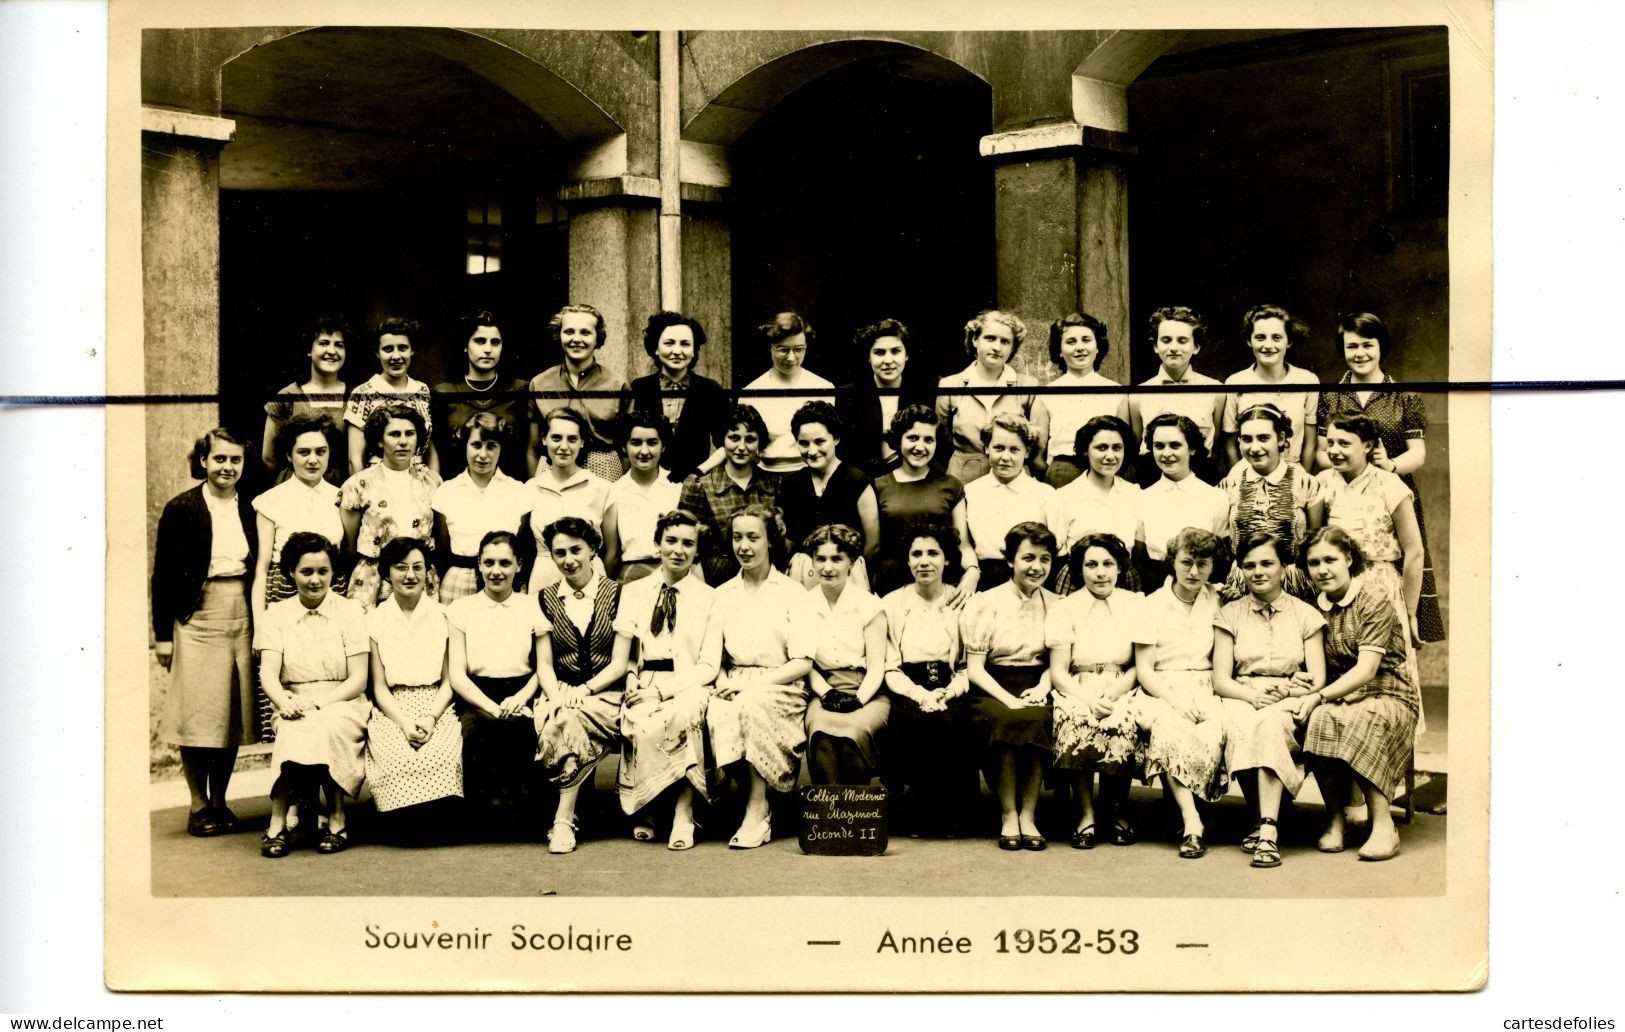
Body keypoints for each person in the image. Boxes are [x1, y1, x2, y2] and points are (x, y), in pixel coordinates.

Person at [152, 427, 257, 838]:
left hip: (241, 612)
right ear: (203, 461)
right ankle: (197, 804)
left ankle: (220, 800)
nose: (227, 467)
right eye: (219, 459)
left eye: (235, 460)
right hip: (197, 615)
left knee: (230, 712)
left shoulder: (252, 507)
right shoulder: (182, 508)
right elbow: (162, 577)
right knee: (198, 714)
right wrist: (163, 635)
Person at [1315, 312, 1444, 642]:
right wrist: (1344, 464)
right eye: (1352, 346)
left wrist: (1390, 466)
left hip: (1391, 491)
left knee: (1401, 561)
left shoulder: (1405, 395)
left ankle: (1403, 631)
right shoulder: (1331, 395)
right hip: (1344, 491)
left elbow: (1418, 453)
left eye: (1367, 345)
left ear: (1381, 347)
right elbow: (1319, 452)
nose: (1360, 353)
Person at [1299, 527, 1420, 862]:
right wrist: (1304, 686)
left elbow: (1367, 670)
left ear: (1349, 559)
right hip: (1340, 693)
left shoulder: (1373, 598)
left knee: (1361, 718)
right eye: (1313, 562)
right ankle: (1336, 817)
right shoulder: (1315, 607)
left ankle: (1383, 826)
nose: (1322, 569)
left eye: (1330, 559)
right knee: (1318, 718)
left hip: (1390, 692)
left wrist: (1322, 695)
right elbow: (1315, 666)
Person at [701, 504, 818, 848]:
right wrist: (724, 683)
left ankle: (757, 809)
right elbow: (714, 658)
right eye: (737, 537)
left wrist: (748, 686)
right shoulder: (722, 595)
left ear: (770, 540)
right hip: (732, 681)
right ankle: (739, 795)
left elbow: (802, 661)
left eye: (753, 537)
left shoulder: (793, 593)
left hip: (781, 684)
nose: (744, 546)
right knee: (712, 710)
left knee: (751, 706)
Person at [1212, 532, 1328, 869]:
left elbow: (1318, 679)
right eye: (1249, 566)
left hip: (1290, 695)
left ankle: (1267, 831)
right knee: (1242, 723)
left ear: (1284, 568)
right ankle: (1263, 818)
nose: (1258, 571)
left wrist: (1289, 691)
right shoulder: (1229, 614)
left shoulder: (1306, 615)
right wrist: (1253, 695)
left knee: (1269, 724)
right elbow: (1221, 680)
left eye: (1267, 563)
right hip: (1241, 693)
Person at [255, 532, 370, 857]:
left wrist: (320, 703)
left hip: (342, 700)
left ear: (334, 572)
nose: (316, 580)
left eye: (323, 571)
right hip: (293, 700)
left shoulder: (350, 612)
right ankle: (277, 821)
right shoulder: (276, 614)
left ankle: (336, 816)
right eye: (307, 572)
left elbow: (358, 678)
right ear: (291, 572)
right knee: (295, 725)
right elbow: (268, 674)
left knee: (328, 724)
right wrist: (285, 702)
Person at [614, 509, 720, 849]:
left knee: (686, 714)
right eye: (670, 541)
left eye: (688, 543)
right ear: (657, 544)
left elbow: (709, 666)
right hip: (645, 680)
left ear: (697, 550)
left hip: (689, 681)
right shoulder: (634, 591)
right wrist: (632, 679)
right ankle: (647, 805)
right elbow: (629, 652)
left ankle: (683, 812)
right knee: (639, 716)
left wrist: (663, 691)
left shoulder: (710, 598)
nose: (678, 549)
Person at [533, 518, 630, 853]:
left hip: (608, 693)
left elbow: (620, 663)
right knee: (561, 715)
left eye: (576, 550)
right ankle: (566, 815)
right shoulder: (545, 599)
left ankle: (563, 820)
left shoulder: (617, 593)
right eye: (559, 553)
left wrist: (585, 690)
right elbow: (544, 663)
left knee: (572, 719)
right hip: (559, 691)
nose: (568, 559)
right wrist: (557, 695)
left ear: (593, 550)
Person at [1132, 527, 1227, 859]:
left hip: (1207, 684)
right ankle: (1192, 823)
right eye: (1186, 562)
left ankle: (1191, 809)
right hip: (1162, 688)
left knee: (1215, 730)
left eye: (1203, 564)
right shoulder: (1151, 605)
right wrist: (1175, 701)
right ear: (1172, 562)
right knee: (1170, 728)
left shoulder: (1219, 600)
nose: (1194, 572)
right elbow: (1144, 670)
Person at [1044, 533, 1144, 849]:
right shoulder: (1065, 608)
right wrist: (1088, 700)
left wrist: (1113, 695)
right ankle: (1086, 815)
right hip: (1078, 686)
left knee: (1124, 720)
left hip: (1122, 684)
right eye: (1091, 565)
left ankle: (1118, 811)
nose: (1100, 572)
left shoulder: (1135, 604)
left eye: (1107, 564)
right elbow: (1059, 671)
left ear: (1119, 568)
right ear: (1080, 569)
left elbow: (1137, 666)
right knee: (1077, 719)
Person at [962, 522, 1059, 850]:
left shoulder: (1058, 605)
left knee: (1037, 717)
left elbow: (1057, 663)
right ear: (1010, 561)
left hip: (1039, 682)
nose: (1037, 567)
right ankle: (1008, 814)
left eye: (1045, 559)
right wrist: (1009, 699)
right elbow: (974, 670)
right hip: (993, 683)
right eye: (1028, 558)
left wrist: (1043, 688)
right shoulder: (985, 603)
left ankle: (1029, 815)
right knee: (1006, 718)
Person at [446, 531, 548, 834]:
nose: (496, 571)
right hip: (477, 694)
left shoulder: (532, 606)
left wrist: (520, 699)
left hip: (522, 691)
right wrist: (492, 707)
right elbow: (457, 674)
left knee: (524, 733)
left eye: (505, 563)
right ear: (478, 564)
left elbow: (543, 666)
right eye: (488, 562)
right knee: (475, 733)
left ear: (519, 565)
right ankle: (483, 820)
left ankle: (522, 819)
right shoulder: (461, 609)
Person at [880, 527, 977, 836]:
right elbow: (890, 667)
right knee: (916, 722)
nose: (925, 562)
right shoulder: (891, 604)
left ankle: (957, 815)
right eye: (916, 554)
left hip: (953, 684)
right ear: (907, 562)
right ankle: (919, 813)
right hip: (907, 686)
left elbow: (966, 666)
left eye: (933, 553)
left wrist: (948, 692)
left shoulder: (963, 601)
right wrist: (920, 694)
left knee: (954, 721)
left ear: (947, 560)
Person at [363, 537, 461, 828]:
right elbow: (379, 687)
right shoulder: (374, 620)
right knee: (396, 756)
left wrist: (432, 717)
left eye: (418, 567)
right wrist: (404, 722)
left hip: (437, 702)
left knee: (440, 754)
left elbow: (449, 680)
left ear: (428, 572)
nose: (410, 575)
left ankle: (436, 820)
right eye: (401, 567)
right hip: (393, 706)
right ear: (386, 573)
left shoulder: (444, 615)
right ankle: (398, 820)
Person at [1316, 414, 1425, 647]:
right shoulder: (1322, 483)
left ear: (1367, 445)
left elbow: (1415, 552)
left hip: (1381, 588)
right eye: (1331, 443)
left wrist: (1410, 612)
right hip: (1335, 589)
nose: (1334, 450)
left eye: (1344, 443)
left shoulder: (1390, 484)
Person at [803, 524, 890, 786]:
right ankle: (830, 819)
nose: (828, 567)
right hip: (823, 690)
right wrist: (826, 693)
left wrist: (858, 700)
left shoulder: (869, 604)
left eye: (837, 559)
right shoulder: (803, 604)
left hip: (868, 691)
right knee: (821, 734)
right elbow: (805, 663)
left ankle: (856, 818)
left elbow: (877, 667)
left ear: (851, 561)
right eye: (821, 559)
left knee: (852, 733)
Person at [339, 404, 442, 611]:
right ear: (379, 439)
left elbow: (439, 535)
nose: (403, 441)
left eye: (409, 434)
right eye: (395, 434)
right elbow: (349, 546)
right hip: (373, 580)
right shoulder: (358, 484)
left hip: (419, 578)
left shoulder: (431, 481)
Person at [870, 404, 979, 599]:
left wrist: (972, 572)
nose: (920, 447)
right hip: (892, 586)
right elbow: (873, 548)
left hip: (940, 586)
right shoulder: (878, 486)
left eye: (928, 440)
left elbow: (963, 545)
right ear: (898, 439)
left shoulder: (951, 486)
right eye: (912, 438)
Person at [1218, 403, 1324, 601]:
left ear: (1281, 439)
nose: (1255, 447)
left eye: (1264, 438)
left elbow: (1315, 543)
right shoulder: (1228, 485)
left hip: (1293, 585)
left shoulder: (1306, 484)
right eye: (1247, 439)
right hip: (1244, 584)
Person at [431, 413, 535, 605]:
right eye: (476, 445)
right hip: (459, 581)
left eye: (491, 446)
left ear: (501, 448)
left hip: (504, 581)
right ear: (465, 444)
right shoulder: (446, 492)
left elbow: (523, 547)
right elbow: (442, 551)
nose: (483, 455)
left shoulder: (519, 491)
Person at [252, 414, 345, 624]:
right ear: (288, 455)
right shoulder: (270, 501)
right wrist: (260, 628)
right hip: (283, 594)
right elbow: (262, 568)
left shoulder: (342, 497)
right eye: (303, 452)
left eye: (320, 452)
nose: (313, 460)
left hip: (331, 593)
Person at [937, 309, 1048, 484]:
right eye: (990, 338)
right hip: (963, 479)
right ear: (975, 340)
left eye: (1005, 341)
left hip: (1014, 479)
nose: (997, 347)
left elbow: (1037, 446)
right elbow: (942, 440)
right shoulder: (951, 385)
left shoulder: (1028, 386)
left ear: (1013, 347)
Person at [779, 401, 880, 588]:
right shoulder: (792, 483)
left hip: (848, 577)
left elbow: (872, 545)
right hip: (802, 578)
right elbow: (789, 542)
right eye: (804, 443)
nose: (812, 451)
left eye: (819, 442)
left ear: (836, 438)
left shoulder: (857, 480)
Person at [677, 403, 780, 584]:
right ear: (722, 441)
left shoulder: (772, 484)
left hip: (763, 576)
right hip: (715, 578)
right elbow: (687, 539)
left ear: (759, 443)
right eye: (734, 438)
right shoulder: (702, 486)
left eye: (750, 439)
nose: (741, 447)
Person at [1121, 305, 1225, 484]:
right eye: (1166, 340)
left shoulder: (1216, 390)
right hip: (1152, 478)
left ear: (1196, 347)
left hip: (1201, 476)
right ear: (1155, 346)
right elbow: (1136, 444)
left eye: (1182, 341)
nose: (1174, 348)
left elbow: (1216, 445)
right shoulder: (1138, 394)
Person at [627, 311, 731, 481]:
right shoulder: (639, 387)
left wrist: (699, 472)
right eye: (669, 343)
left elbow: (727, 442)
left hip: (694, 485)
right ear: (656, 348)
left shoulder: (710, 389)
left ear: (694, 351)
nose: (677, 351)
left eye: (685, 344)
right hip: (647, 482)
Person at [1043, 415, 1142, 594]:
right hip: (1077, 581)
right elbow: (1056, 554)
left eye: (1117, 448)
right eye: (1101, 448)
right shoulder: (1064, 497)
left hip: (1123, 581)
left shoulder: (1134, 494)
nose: (1110, 456)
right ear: (1085, 451)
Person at [529, 303, 629, 480]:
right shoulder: (540, 383)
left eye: (585, 332)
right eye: (569, 332)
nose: (576, 339)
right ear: (558, 335)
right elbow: (533, 449)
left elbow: (626, 449)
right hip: (552, 471)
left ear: (598, 337)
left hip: (603, 471)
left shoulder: (617, 384)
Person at [430, 310, 531, 481]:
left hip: (510, 492)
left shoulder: (520, 390)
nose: (488, 349)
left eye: (495, 342)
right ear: (465, 345)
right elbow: (435, 453)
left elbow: (531, 449)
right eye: (480, 341)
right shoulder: (443, 393)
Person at [962, 413, 1056, 590]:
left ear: (1027, 451)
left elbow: (1055, 551)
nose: (1006, 457)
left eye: (1014, 450)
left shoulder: (1045, 495)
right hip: (984, 580)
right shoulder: (970, 492)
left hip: (1032, 581)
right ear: (987, 448)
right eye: (998, 448)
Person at [1136, 413, 1229, 592]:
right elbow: (1139, 559)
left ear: (1192, 448)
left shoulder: (1216, 497)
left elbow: (1220, 556)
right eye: (1159, 446)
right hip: (1155, 587)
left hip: (1203, 586)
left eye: (1175, 445)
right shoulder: (1141, 498)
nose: (1166, 454)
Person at [1221, 305, 1319, 470]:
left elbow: (1310, 443)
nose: (1268, 345)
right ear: (1248, 340)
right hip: (1248, 475)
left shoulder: (1308, 380)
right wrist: (1241, 483)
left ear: (1289, 341)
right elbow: (1230, 445)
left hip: (1293, 474)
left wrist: (1302, 481)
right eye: (1260, 337)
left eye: (1276, 337)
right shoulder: (1235, 382)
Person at [835, 318, 936, 478]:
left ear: (907, 355)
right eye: (879, 352)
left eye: (896, 351)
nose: (888, 360)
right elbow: (843, 451)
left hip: (911, 479)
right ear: (868, 357)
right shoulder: (849, 395)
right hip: (861, 481)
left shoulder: (923, 393)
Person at [740, 310, 836, 475]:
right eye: (783, 349)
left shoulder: (824, 388)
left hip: (813, 476)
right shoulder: (751, 392)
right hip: (765, 478)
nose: (791, 358)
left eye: (799, 349)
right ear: (770, 347)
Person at [527, 407, 612, 589]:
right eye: (556, 438)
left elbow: (612, 552)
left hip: (590, 579)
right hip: (544, 578)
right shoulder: (530, 488)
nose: (564, 447)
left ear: (581, 442)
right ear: (544, 439)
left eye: (572, 439)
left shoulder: (602, 488)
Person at [261, 314, 349, 484]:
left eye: (339, 345)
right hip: (296, 488)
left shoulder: (355, 396)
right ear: (309, 350)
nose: (332, 351)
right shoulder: (287, 397)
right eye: (323, 343)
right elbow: (269, 458)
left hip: (341, 488)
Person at [343, 316, 434, 477]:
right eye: (388, 349)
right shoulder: (364, 393)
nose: (396, 356)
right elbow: (355, 458)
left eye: (403, 348)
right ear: (377, 352)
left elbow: (430, 449)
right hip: (379, 482)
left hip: (419, 479)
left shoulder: (422, 390)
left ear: (412, 350)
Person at [1042, 312, 1123, 488]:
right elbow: (1037, 454)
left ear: (1098, 346)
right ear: (1060, 351)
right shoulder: (1046, 394)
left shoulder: (1117, 392)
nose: (1079, 348)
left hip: (1107, 472)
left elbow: (1127, 444)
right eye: (1071, 342)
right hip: (1063, 473)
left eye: (1086, 340)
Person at [603, 413, 683, 584]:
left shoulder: (677, 488)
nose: (644, 451)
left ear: (663, 447)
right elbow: (612, 555)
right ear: (624, 447)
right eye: (636, 443)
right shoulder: (614, 492)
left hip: (673, 575)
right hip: (630, 577)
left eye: (652, 443)